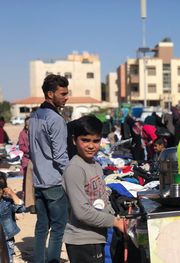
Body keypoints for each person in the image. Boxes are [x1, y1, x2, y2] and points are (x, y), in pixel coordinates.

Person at [62, 115, 126, 263]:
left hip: (96, 237)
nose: (91, 146)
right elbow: (82, 212)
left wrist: (116, 217)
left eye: (95, 141)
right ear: (74, 140)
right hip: (81, 241)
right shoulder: (75, 169)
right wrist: (114, 222)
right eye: (85, 140)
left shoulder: (96, 165)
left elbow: (102, 198)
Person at [29, 74, 70, 263]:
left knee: (41, 227)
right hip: (54, 182)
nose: (66, 97)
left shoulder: (34, 116)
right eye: (63, 94)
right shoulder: (55, 119)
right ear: (50, 93)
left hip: (39, 181)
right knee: (58, 227)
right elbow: (60, 156)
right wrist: (73, 176)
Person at [0, 172, 26, 263]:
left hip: (7, 239)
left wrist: (12, 194)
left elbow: (22, 209)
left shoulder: (7, 202)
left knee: (7, 259)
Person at [17, 117, 35, 213]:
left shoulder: (34, 132)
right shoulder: (22, 133)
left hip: (35, 159)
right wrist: (29, 151)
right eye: (27, 125)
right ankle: (27, 202)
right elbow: (21, 146)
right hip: (26, 160)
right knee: (26, 181)